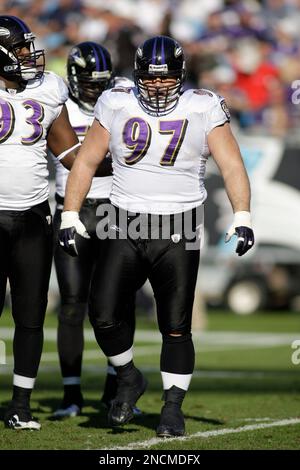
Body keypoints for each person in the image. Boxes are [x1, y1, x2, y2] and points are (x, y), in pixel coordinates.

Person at [59, 36, 255, 437]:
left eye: (167, 79)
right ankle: (129, 376)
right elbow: (86, 162)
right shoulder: (116, 101)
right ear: (138, 74)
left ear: (181, 76)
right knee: (103, 312)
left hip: (178, 224)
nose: (160, 87)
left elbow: (232, 164)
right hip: (124, 218)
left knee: (176, 324)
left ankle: (172, 407)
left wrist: (243, 214)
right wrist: (69, 214)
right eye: (151, 78)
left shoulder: (202, 105)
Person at [0, 15, 80, 430]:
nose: (29, 55)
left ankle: (20, 404)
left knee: (30, 316)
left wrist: (121, 160)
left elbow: (69, 154)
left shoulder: (48, 88)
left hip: (33, 214)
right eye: (20, 48)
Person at [52, 41, 136, 418]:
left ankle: (115, 390)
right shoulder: (57, 103)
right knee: (71, 305)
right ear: (73, 78)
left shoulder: (122, 95)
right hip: (71, 208)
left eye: (100, 82)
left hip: (115, 209)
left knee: (118, 302)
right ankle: (71, 395)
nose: (94, 89)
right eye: (88, 82)